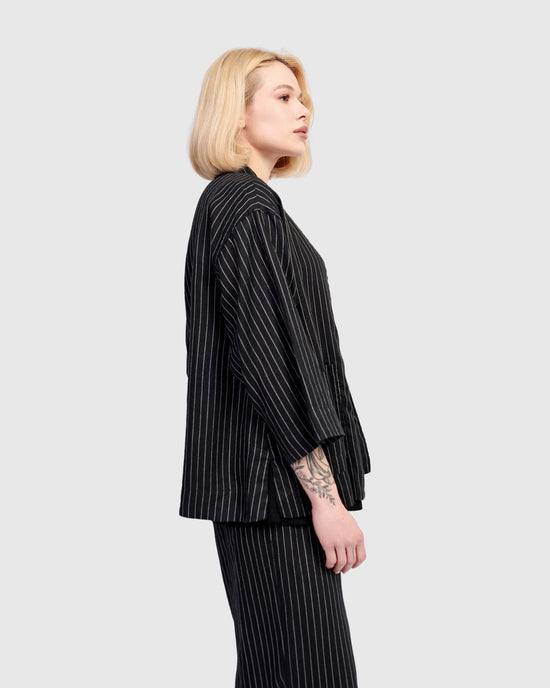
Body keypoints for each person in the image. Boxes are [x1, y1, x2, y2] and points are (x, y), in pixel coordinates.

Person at [179, 47, 372, 688]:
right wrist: (326, 499)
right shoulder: (245, 207)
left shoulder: (240, 205)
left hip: (262, 492)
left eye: (302, 96)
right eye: (283, 96)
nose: (303, 108)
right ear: (235, 113)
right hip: (275, 497)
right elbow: (268, 364)